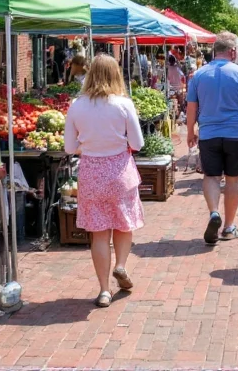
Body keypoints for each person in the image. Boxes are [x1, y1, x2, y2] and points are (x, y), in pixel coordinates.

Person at [63, 54, 145, 307]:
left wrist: (88, 147)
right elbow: (138, 144)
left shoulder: (77, 105)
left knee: (99, 234)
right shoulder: (123, 104)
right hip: (120, 170)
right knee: (123, 224)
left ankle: (103, 290)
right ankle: (120, 265)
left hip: (91, 173)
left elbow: (69, 147)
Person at [187, 32, 238, 244]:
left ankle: (213, 212)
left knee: (210, 176)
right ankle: (229, 226)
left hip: (209, 133)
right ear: (232, 51)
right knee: (233, 179)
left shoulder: (199, 75)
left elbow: (192, 107)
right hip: (235, 134)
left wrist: (190, 131)